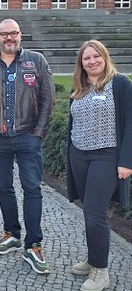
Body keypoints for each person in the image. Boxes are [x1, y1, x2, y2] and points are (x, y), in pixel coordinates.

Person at [0, 18, 55, 274]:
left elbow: (48, 99)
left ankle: (33, 245)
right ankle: (12, 234)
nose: (9, 38)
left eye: (13, 33)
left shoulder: (36, 61)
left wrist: (38, 133)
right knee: (4, 188)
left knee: (32, 189)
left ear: (20, 35)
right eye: (3, 34)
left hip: (28, 137)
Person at [67, 40, 132, 291]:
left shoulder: (120, 84)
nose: (92, 61)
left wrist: (127, 160)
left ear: (105, 58)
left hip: (106, 156)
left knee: (95, 212)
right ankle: (93, 259)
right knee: (90, 212)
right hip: (79, 155)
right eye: (86, 58)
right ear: (81, 64)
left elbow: (130, 123)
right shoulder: (79, 88)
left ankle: (100, 273)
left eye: (96, 56)